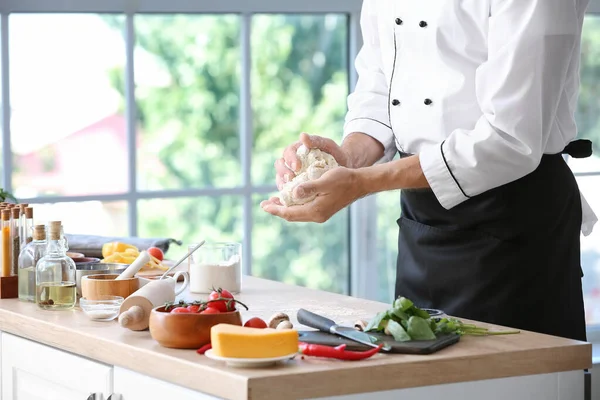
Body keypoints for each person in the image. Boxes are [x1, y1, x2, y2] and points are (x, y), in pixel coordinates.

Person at [261, 0, 598, 342]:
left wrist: (361, 182)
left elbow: (509, 138)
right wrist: (346, 157)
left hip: (514, 226)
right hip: (422, 224)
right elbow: (381, 84)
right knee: (420, 374)